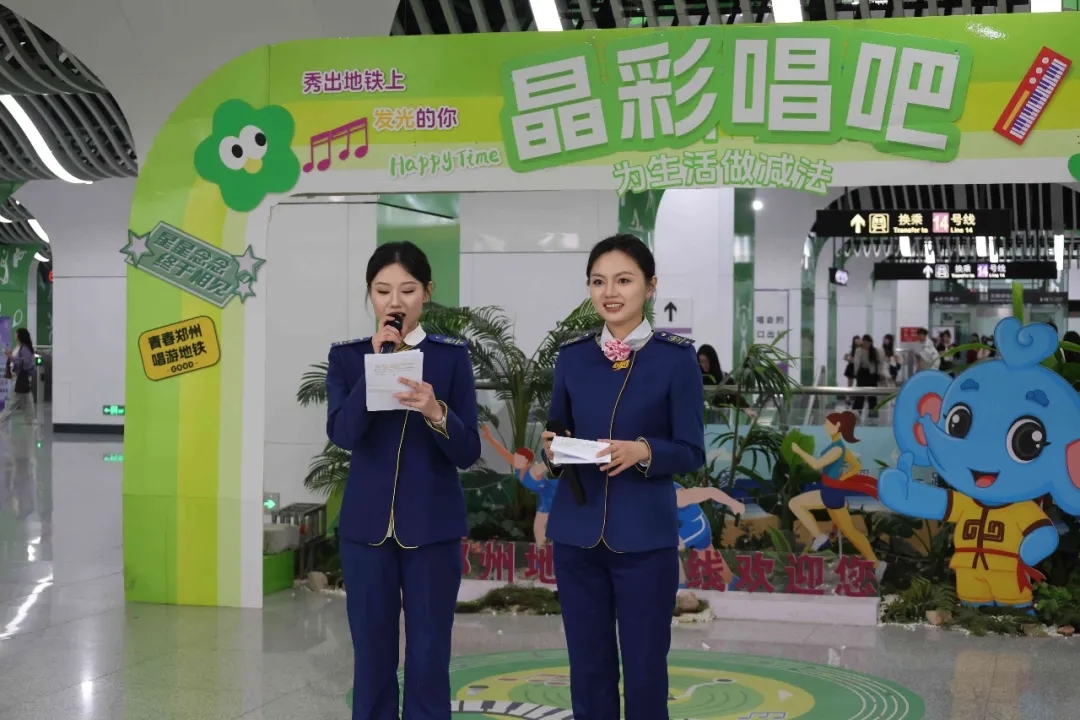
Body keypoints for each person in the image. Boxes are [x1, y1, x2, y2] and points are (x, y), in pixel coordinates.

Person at [541, 233, 706, 720]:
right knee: (587, 668)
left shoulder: (676, 358)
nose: (610, 292)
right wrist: (552, 447)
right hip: (577, 535)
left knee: (645, 669)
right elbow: (557, 429)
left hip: (645, 539)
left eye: (623, 280)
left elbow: (692, 450)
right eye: (598, 281)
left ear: (650, 286)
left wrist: (643, 451)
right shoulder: (573, 356)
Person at [325, 241, 481, 720]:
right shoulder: (348, 358)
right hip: (365, 531)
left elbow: (468, 452)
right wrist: (374, 368)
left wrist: (436, 411)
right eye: (383, 291)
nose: (395, 302)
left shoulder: (451, 358)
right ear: (370, 294)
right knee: (371, 655)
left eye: (407, 290)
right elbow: (343, 434)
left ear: (427, 293)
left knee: (429, 653)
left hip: (432, 529)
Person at [787, 411, 886, 582]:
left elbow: (816, 465)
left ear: (837, 426)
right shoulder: (840, 447)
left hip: (830, 493)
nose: (825, 426)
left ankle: (820, 537)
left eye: (827, 424)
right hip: (832, 491)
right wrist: (842, 479)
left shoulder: (838, 449)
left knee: (795, 504)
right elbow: (856, 466)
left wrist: (798, 450)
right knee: (850, 532)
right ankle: (876, 563)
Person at [480, 424, 557, 546]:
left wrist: (553, 448)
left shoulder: (533, 470)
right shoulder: (518, 466)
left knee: (541, 527)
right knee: (539, 529)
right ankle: (543, 551)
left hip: (552, 492)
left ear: (527, 461)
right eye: (515, 458)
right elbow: (502, 451)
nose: (515, 460)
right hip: (544, 496)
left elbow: (547, 464)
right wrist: (489, 438)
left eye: (519, 459)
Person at [0, 328, 37, 431]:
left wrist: (11, 357)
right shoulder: (20, 347)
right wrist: (11, 356)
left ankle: (2, 419)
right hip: (19, 377)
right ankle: (32, 420)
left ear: (20, 335)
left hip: (21, 378)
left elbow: (24, 363)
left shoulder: (24, 348)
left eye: (16, 333)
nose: (15, 335)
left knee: (12, 400)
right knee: (27, 401)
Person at [851, 334, 879, 414]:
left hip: (872, 374)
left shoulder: (873, 351)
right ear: (863, 342)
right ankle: (856, 414)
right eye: (865, 342)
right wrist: (855, 373)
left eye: (868, 343)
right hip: (862, 373)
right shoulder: (859, 350)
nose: (867, 344)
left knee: (872, 396)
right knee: (860, 395)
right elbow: (856, 363)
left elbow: (877, 363)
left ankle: (873, 413)